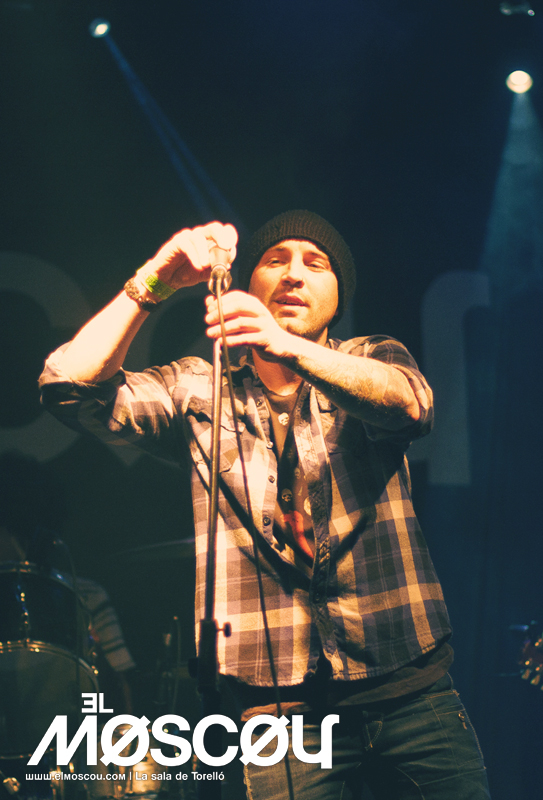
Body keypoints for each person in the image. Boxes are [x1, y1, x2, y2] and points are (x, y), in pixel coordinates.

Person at [39, 210, 491, 799]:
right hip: (280, 716)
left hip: (411, 693)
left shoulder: (372, 355)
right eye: (275, 260)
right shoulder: (200, 387)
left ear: (340, 294)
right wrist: (155, 279)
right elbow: (66, 386)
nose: (294, 273)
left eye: (316, 263)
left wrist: (284, 346)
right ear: (247, 285)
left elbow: (408, 404)